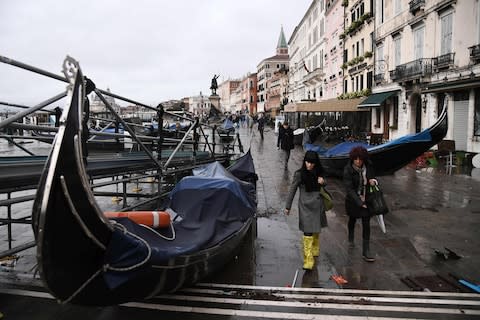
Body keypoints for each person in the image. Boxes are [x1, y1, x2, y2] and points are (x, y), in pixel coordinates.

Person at [285, 151, 326, 270]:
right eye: (307, 162)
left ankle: (315, 246)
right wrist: (288, 206)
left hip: (318, 204)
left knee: (316, 228)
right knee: (307, 231)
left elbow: (325, 184)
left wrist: (323, 182)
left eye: (312, 163)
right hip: (305, 206)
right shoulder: (299, 174)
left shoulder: (320, 172)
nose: (309, 165)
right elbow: (292, 189)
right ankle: (308, 258)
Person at [343, 146, 378, 262]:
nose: (358, 161)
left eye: (360, 159)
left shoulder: (368, 166)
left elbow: (373, 177)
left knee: (366, 222)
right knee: (352, 219)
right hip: (353, 200)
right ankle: (351, 237)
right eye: (356, 159)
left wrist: (373, 181)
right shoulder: (348, 170)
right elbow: (349, 189)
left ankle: (366, 250)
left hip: (367, 199)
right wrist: (359, 202)